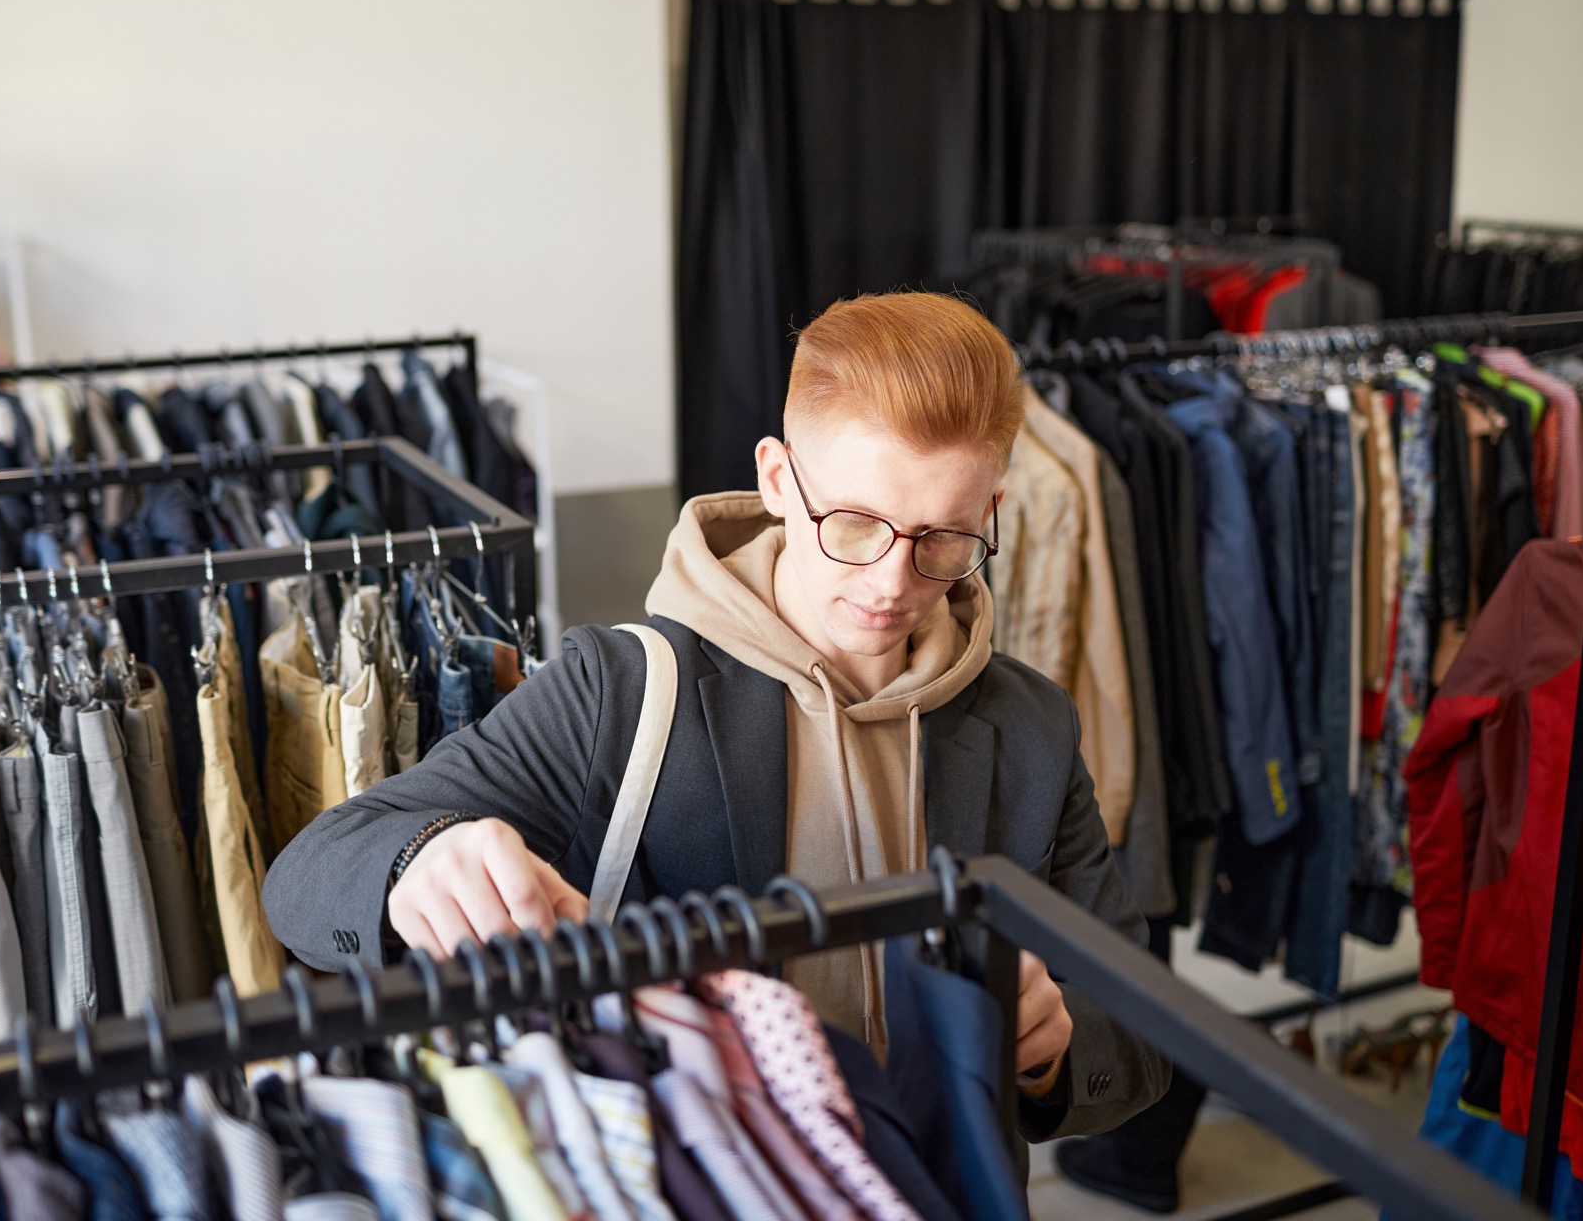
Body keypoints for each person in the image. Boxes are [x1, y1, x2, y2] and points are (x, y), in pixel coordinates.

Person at [265, 291, 1168, 1137]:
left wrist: (1052, 1055)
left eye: (944, 537)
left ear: (992, 510)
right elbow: (305, 879)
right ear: (777, 479)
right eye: (853, 524)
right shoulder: (619, 691)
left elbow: (1139, 1039)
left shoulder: (1033, 725)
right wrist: (418, 862)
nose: (893, 582)